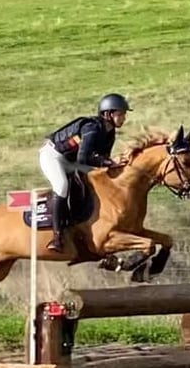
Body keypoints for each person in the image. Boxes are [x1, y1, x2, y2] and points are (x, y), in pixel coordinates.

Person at [38, 93, 132, 252]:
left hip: (71, 161)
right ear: (108, 114)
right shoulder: (91, 128)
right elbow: (84, 159)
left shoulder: (110, 133)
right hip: (53, 156)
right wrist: (109, 162)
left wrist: (113, 163)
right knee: (61, 186)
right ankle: (57, 237)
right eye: (120, 114)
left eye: (124, 114)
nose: (124, 118)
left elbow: (101, 159)